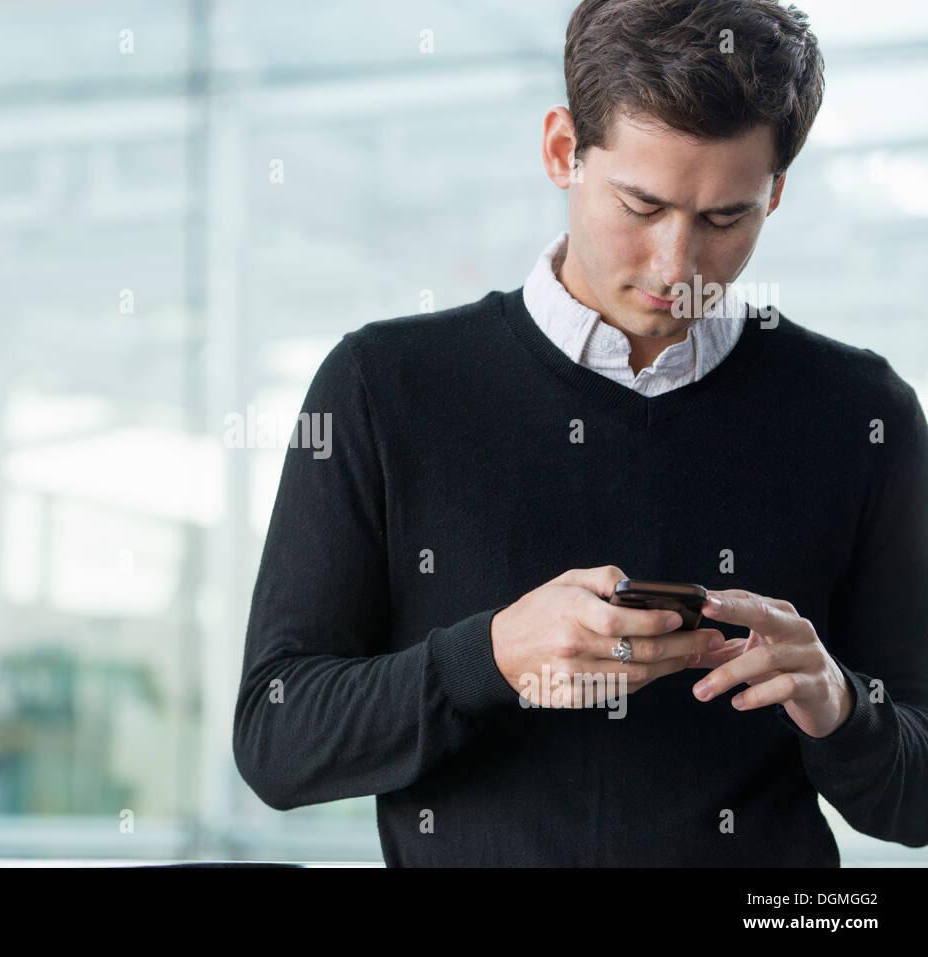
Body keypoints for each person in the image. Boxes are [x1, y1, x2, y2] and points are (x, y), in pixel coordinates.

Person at [232, 0, 928, 866]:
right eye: (641, 204)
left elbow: (917, 790)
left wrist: (843, 707)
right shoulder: (383, 386)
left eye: (725, 219)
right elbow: (276, 734)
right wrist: (488, 659)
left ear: (775, 192)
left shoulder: (862, 414)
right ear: (564, 150)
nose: (677, 266)